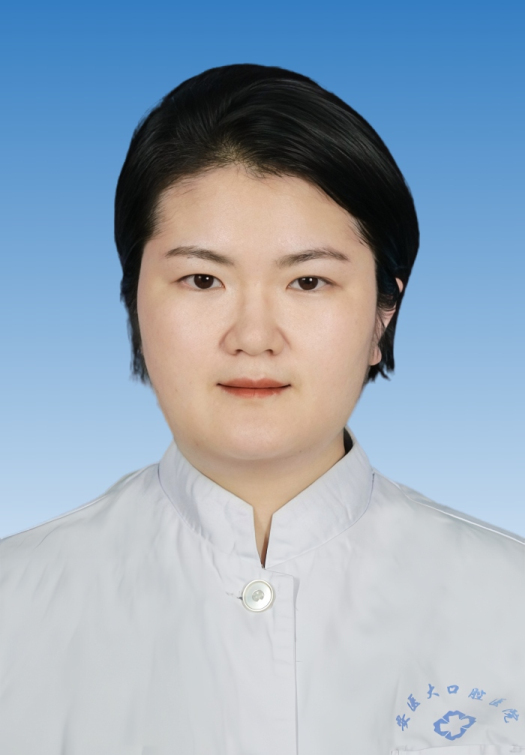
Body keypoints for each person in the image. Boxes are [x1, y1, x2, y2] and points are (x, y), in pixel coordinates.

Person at [0, 64, 523, 755]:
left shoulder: (510, 602)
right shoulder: (14, 606)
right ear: (134, 301)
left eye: (308, 281)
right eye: (202, 279)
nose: (252, 336)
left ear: (383, 314)